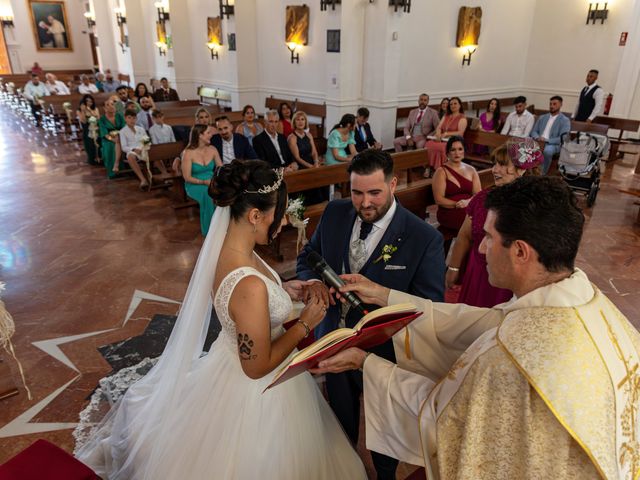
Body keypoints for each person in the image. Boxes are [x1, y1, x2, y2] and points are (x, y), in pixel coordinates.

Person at [313, 175, 640, 480]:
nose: (480, 248)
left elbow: (447, 419)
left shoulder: (507, 361)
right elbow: (473, 322)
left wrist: (365, 363)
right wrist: (385, 295)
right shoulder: (590, 307)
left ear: (521, 252)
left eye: (490, 238)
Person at [75, 160, 367, 478]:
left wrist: (284, 289)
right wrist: (305, 323)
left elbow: (247, 296)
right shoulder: (249, 284)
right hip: (259, 392)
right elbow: (255, 366)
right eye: (278, 213)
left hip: (225, 362)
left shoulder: (231, 250)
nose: (283, 220)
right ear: (255, 215)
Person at [296, 149, 445, 480]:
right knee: (338, 422)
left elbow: (430, 305)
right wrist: (314, 281)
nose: (364, 202)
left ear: (392, 184)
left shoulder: (424, 238)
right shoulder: (335, 213)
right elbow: (309, 255)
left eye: (374, 192)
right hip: (333, 339)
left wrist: (381, 298)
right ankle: (343, 467)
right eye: (356, 192)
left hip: (385, 354)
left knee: (385, 432)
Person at [446, 138, 542, 307]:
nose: (494, 169)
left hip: (508, 281)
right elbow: (464, 236)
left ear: (521, 170)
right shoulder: (482, 198)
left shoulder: (534, 206)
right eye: (495, 163)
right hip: (477, 274)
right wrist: (454, 268)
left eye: (502, 165)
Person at [432, 136, 481, 235]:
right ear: (448, 153)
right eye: (453, 150)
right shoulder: (441, 171)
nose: (457, 153)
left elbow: (478, 194)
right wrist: (458, 204)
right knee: (474, 222)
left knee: (485, 217)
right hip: (449, 211)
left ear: (464, 151)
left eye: (460, 149)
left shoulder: (471, 170)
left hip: (469, 207)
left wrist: (467, 202)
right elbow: (439, 199)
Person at [288, 111, 327, 204]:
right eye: (298, 120)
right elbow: (297, 157)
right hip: (300, 165)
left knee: (322, 177)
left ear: (305, 122)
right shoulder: (292, 137)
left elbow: (314, 152)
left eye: (302, 119)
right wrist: (310, 167)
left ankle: (321, 203)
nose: (300, 122)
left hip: (311, 162)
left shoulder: (309, 135)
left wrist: (316, 162)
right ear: (294, 122)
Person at [425, 97, 468, 176]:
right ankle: (428, 167)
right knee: (428, 144)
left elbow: (460, 133)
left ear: (460, 105)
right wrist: (438, 133)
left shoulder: (462, 118)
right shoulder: (446, 115)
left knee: (441, 148)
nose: (453, 105)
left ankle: (439, 169)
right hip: (442, 138)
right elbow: (439, 127)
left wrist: (447, 133)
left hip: (455, 140)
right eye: (451, 104)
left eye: (455, 103)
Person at [530, 95, 571, 175]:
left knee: (547, 151)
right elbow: (534, 131)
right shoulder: (542, 117)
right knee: (524, 144)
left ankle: (541, 174)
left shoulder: (565, 120)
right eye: (550, 104)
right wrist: (537, 137)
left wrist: (547, 140)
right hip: (539, 141)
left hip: (553, 144)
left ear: (561, 105)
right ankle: (525, 170)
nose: (551, 106)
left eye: (554, 104)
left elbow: (564, 138)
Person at [119, 110, 152, 188]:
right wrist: (133, 149)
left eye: (134, 118)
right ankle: (143, 179)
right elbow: (124, 147)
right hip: (133, 151)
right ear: (125, 119)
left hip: (143, 149)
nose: (131, 120)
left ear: (136, 119)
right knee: (130, 156)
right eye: (129, 118)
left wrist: (141, 148)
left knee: (154, 152)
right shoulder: (122, 131)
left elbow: (147, 141)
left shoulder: (141, 129)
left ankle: (164, 173)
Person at [99, 97, 125, 178]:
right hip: (108, 139)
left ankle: (123, 170)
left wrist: (120, 138)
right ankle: (113, 171)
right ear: (104, 108)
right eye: (108, 105)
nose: (111, 106)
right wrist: (113, 140)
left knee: (121, 143)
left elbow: (124, 128)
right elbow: (104, 133)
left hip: (121, 136)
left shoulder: (119, 116)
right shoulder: (102, 119)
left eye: (112, 104)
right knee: (110, 146)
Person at [77, 94, 101, 166]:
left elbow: (98, 118)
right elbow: (83, 121)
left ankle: (99, 157)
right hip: (87, 128)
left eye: (91, 101)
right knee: (89, 144)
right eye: (87, 101)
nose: (89, 103)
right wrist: (83, 111)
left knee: (98, 142)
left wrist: (92, 113)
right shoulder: (79, 110)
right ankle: (91, 159)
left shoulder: (95, 109)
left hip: (96, 127)